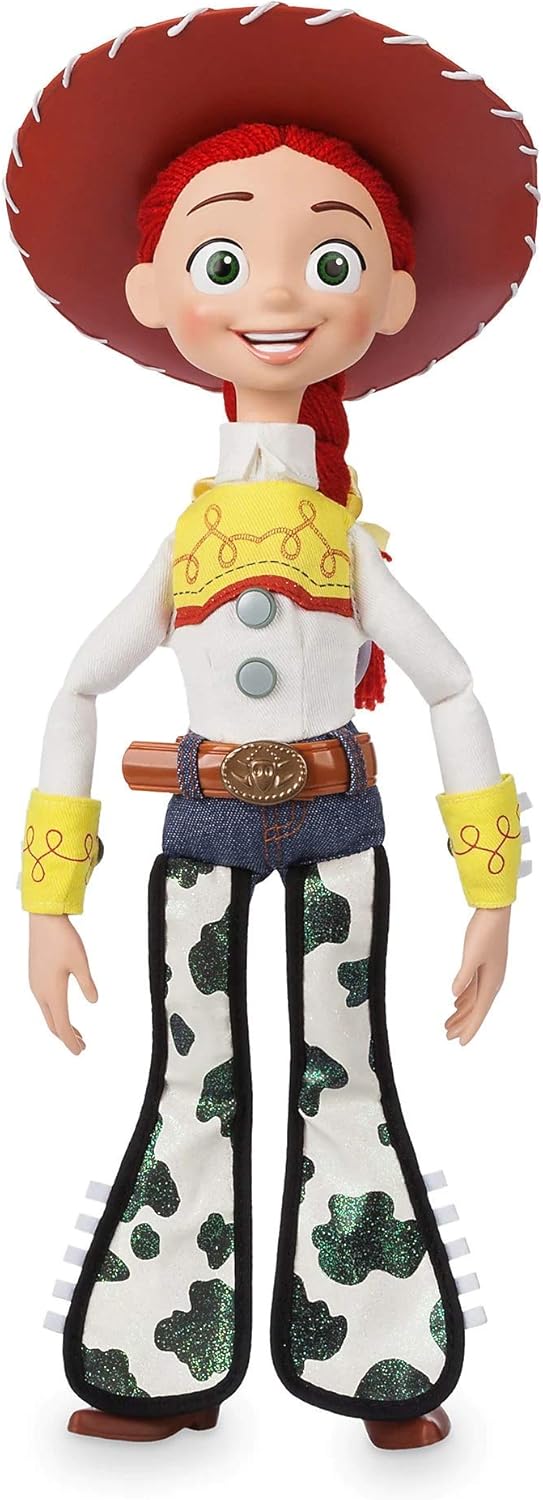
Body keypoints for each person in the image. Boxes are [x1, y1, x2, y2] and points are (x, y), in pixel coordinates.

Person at [7, 5, 536, 1451]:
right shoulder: (188, 540)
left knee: (344, 1074)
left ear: (390, 297)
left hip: (340, 823)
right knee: (194, 1073)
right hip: (200, 823)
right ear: (158, 290)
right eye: (228, 260)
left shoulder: (347, 541)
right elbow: (75, 688)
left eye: (333, 259)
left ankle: (381, 1357)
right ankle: (155, 1356)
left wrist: (493, 889)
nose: (283, 295)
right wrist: (50, 903)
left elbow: (452, 686)